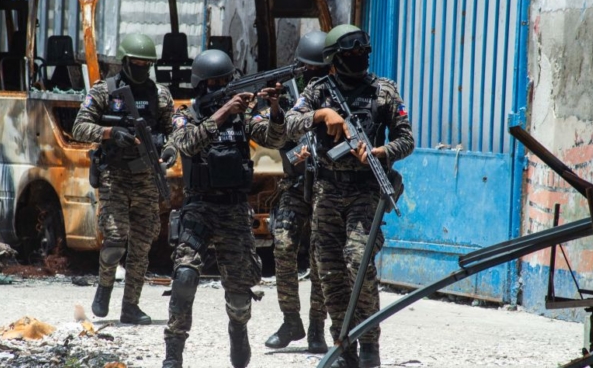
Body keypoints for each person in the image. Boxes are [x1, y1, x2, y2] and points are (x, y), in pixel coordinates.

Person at [285, 24, 414, 368]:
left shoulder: (383, 91)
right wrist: (323, 115)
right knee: (329, 271)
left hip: (365, 191)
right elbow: (290, 123)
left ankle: (369, 341)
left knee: (358, 265)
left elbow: (407, 139)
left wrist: (381, 151)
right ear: (334, 59)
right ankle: (343, 345)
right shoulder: (318, 90)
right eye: (350, 54)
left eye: (362, 53)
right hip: (327, 192)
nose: (358, 59)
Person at [162, 49, 286, 368]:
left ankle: (238, 328)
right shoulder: (186, 113)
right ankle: (173, 352)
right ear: (201, 86)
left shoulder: (244, 115)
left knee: (240, 291)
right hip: (199, 207)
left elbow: (275, 138)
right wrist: (222, 113)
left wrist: (273, 108)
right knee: (186, 276)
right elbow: (185, 144)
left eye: (224, 82)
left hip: (234, 210)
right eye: (214, 84)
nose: (220, 89)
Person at [72, 33, 177, 325]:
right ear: (125, 62)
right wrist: (109, 133)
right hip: (114, 176)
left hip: (146, 176)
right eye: (137, 63)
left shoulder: (161, 95)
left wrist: (170, 150)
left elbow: (174, 130)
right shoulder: (104, 91)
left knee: (142, 243)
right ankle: (105, 285)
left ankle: (130, 306)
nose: (142, 68)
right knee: (116, 239)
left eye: (147, 64)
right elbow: (79, 127)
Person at [264, 31, 331, 354]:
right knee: (283, 245)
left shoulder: (338, 97)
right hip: (294, 185)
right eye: (308, 70)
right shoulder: (289, 98)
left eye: (319, 70)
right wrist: (276, 112)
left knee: (321, 258)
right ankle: (292, 320)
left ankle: (317, 326)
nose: (312, 77)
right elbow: (276, 142)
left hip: (327, 187)